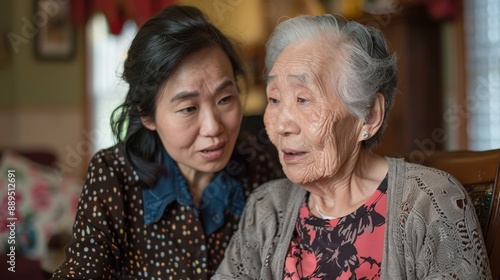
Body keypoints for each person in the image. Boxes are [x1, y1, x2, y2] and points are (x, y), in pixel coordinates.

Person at [213, 14, 492, 280]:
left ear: (368, 116)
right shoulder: (266, 209)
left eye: (303, 100)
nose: (282, 124)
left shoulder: (428, 203)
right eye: (274, 99)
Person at [50, 5, 282, 279]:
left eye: (225, 99)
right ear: (147, 115)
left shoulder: (258, 166)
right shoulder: (113, 175)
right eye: (188, 109)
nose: (213, 127)